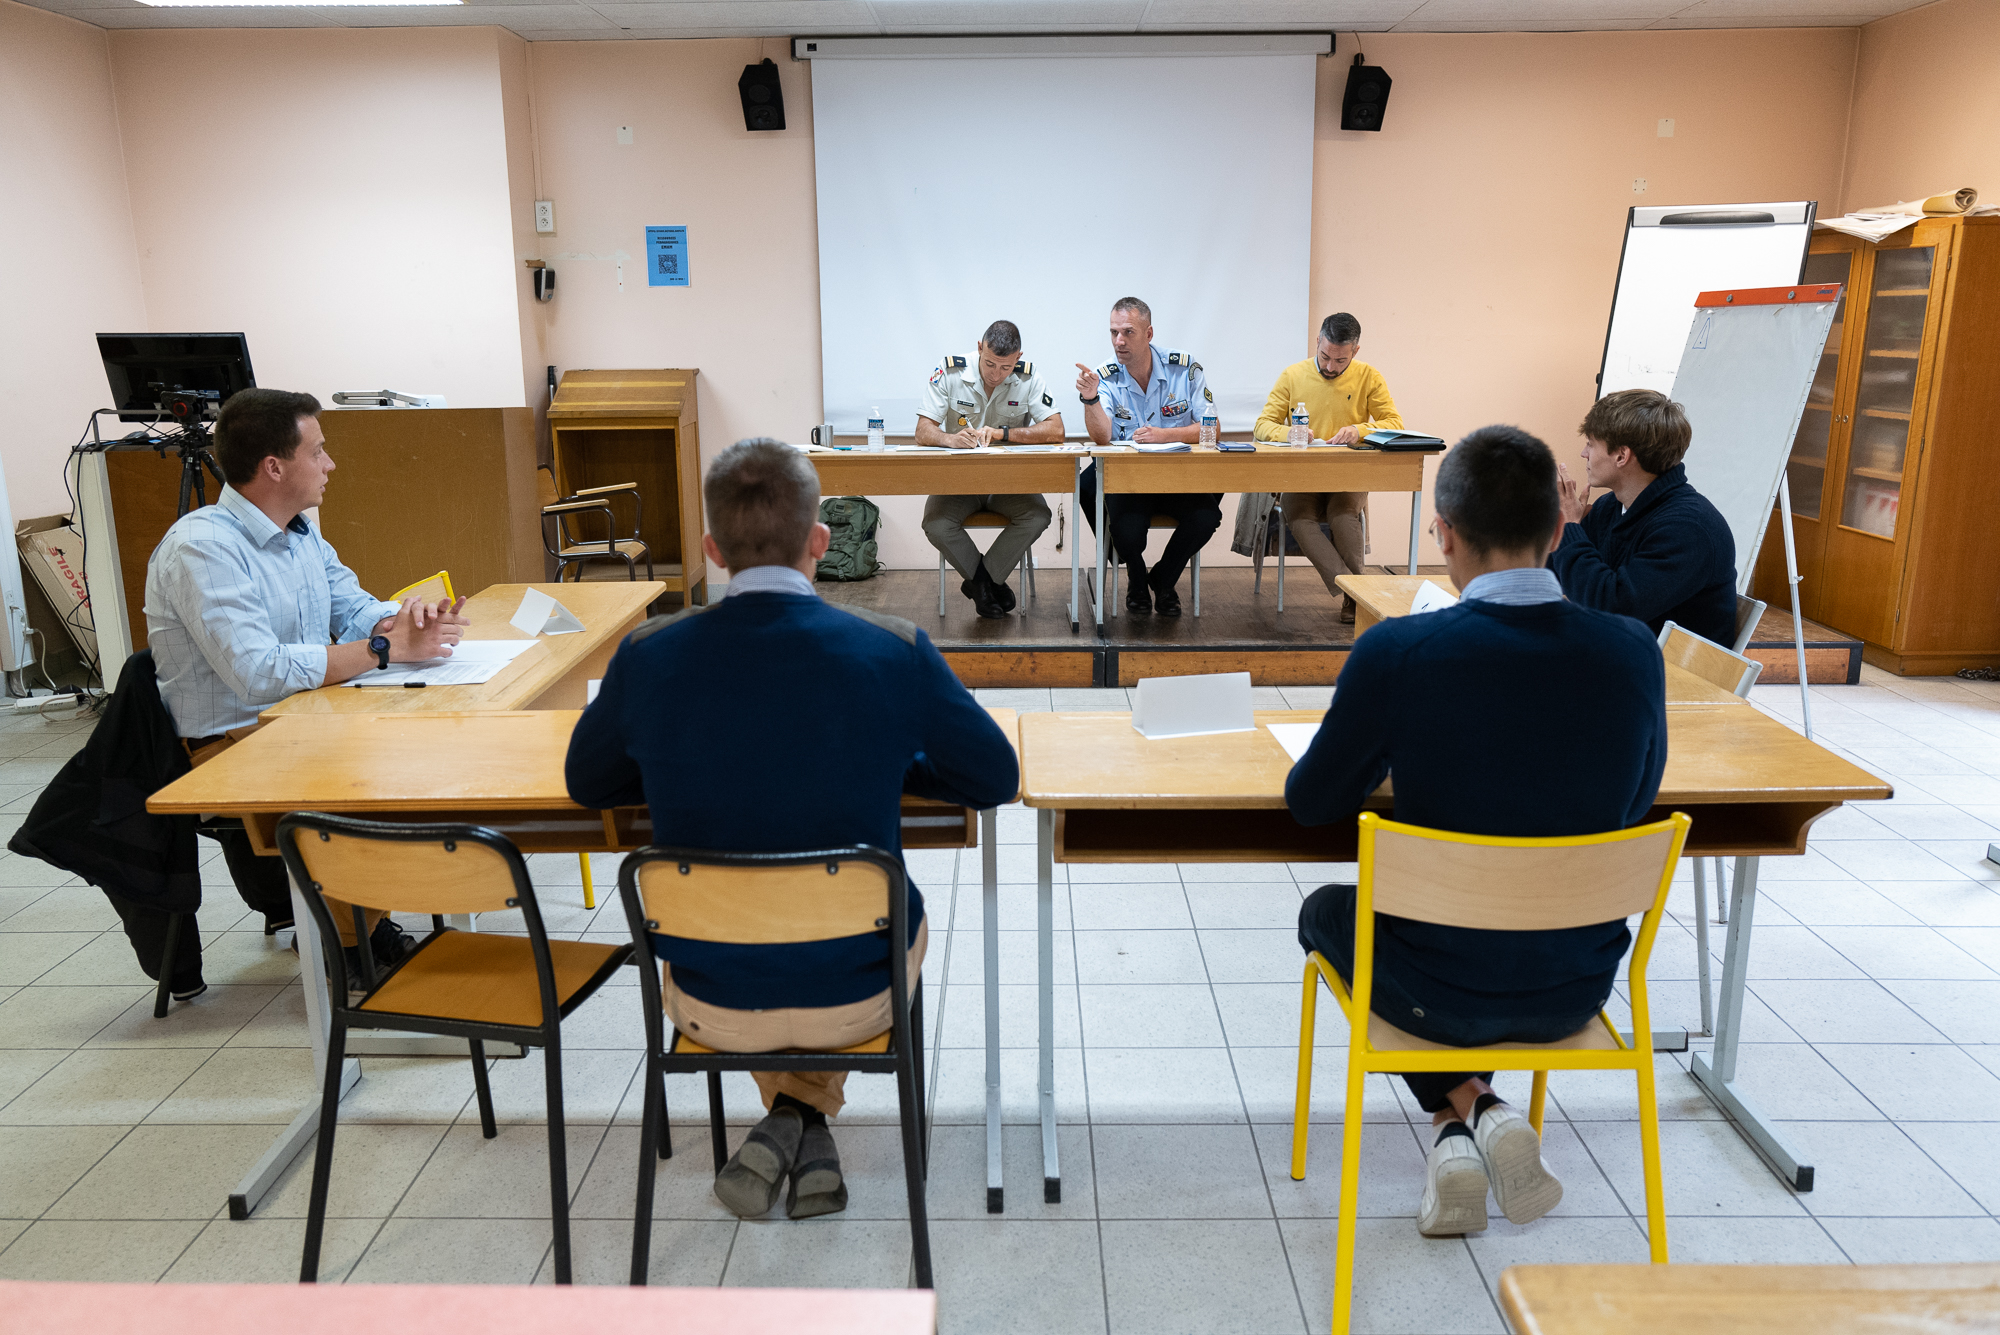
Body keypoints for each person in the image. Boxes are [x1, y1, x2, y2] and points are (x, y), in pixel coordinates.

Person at [566, 437, 1017, 1221]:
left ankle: (788, 1117)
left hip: (709, 1001)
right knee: (879, 917)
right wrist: (900, 757)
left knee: (755, 917)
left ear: (711, 549)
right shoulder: (891, 652)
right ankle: (804, 1112)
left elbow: (586, 782)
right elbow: (994, 778)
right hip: (857, 995)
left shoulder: (647, 657)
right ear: (821, 539)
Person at [1286, 425, 1667, 1239]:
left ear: (1445, 532)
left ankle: (1468, 1105)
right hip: (1576, 985)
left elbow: (1313, 800)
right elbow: (1636, 800)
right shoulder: (1634, 650)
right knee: (1491, 917)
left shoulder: (1401, 651)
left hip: (1439, 991)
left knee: (1325, 911)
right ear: (1561, 532)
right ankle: (1467, 1118)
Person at [144, 387, 468, 996]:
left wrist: (404, 620)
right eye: (318, 452)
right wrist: (381, 650)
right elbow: (259, 672)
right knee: (360, 776)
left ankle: (360, 925)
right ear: (274, 466)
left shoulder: (299, 532)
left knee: (412, 749)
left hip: (300, 719)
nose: (330, 464)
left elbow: (352, 603)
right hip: (230, 741)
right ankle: (350, 946)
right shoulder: (203, 548)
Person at [1240, 312, 1404, 623]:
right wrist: (1292, 434)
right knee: (1300, 519)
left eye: (1340, 361)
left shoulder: (1370, 377)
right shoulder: (1293, 375)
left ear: (1355, 352)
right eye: (1325, 356)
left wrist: (1360, 430)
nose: (1330, 367)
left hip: (1349, 473)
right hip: (1302, 474)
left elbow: (1394, 423)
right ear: (1317, 342)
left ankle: (1353, 600)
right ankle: (1358, 593)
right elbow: (1263, 425)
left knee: (1343, 517)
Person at [1550, 388, 1738, 646]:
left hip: (1670, 675)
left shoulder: (1689, 527)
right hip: (1620, 652)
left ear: (1621, 456)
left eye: (1590, 444)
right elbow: (1556, 575)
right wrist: (1560, 528)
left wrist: (1571, 526)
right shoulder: (1611, 506)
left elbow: (1610, 605)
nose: (1584, 454)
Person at [1073, 297, 1220, 617]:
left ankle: (1164, 580)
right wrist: (1091, 399)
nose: (1118, 341)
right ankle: (1136, 578)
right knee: (1125, 529)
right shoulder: (1105, 376)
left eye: (1128, 332)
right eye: (1113, 332)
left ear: (1149, 333)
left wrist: (1165, 434)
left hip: (1179, 478)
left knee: (1207, 517)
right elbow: (1102, 437)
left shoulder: (1185, 368)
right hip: (1131, 481)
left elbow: (1213, 428)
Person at [915, 320, 1064, 619]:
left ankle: (982, 583)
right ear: (979, 348)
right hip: (960, 482)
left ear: (1018, 358)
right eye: (990, 364)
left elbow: (1056, 430)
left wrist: (1002, 433)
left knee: (1037, 516)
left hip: (1008, 481)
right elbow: (922, 430)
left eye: (1006, 367)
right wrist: (949, 439)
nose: (996, 374)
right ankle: (987, 583)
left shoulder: (1029, 378)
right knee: (936, 523)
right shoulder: (951, 371)